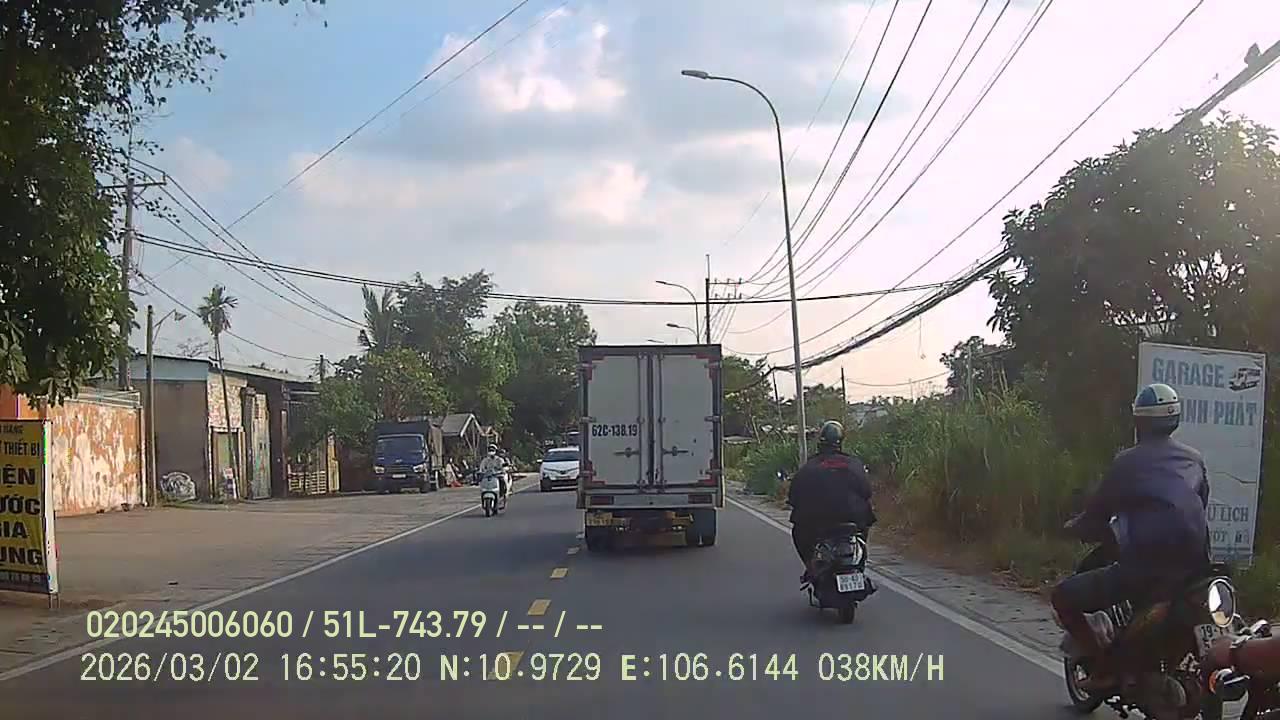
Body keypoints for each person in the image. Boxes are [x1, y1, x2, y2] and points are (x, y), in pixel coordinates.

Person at [1051, 382, 1211, 691]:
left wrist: (1075, 527)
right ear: (1175, 419)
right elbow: (1201, 503)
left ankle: (1104, 667)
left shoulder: (1126, 462)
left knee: (1062, 597)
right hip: (1195, 569)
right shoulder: (1194, 459)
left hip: (1143, 570)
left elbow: (1097, 512)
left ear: (1139, 421)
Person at [787, 420, 876, 582]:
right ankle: (859, 563)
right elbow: (867, 491)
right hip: (853, 518)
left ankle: (811, 567)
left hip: (819, 520)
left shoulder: (810, 467)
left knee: (799, 532)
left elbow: (794, 496)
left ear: (821, 441)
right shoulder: (854, 464)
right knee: (865, 526)